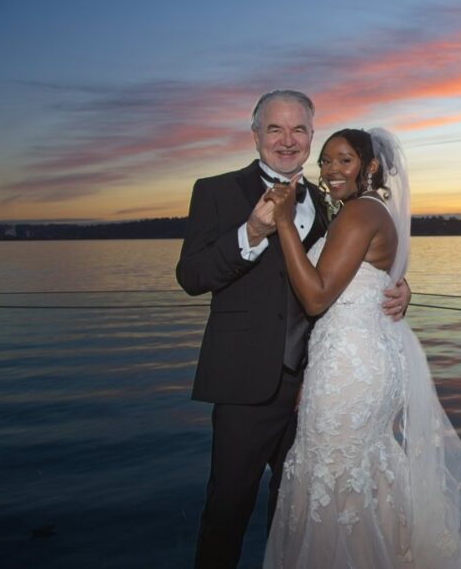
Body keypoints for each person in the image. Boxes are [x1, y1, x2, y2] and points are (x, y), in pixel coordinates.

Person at [176, 91, 412, 569]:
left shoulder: (333, 201)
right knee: (227, 509)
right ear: (256, 134)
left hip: (322, 385)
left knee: (301, 510)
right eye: (275, 129)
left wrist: (401, 287)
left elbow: (359, 266)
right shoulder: (215, 190)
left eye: (299, 130)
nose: (287, 141)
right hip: (246, 383)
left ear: (309, 135)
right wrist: (252, 233)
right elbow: (192, 277)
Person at [261, 128, 461, 568]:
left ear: (370, 166)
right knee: (360, 474)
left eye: (344, 160)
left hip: (349, 368)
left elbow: (315, 296)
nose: (331, 170)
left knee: (333, 476)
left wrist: (281, 224)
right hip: (363, 359)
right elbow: (368, 279)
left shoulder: (358, 214)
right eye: (326, 161)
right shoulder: (370, 211)